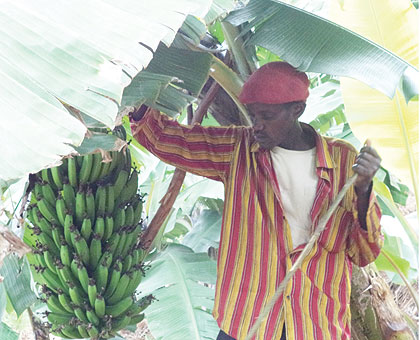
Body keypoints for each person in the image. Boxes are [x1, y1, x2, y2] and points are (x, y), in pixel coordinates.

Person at [130, 61, 383, 340]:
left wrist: (363, 190)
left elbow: (364, 253)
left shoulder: (343, 160)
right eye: (253, 115)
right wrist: (137, 90)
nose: (257, 125)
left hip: (316, 322)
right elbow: (168, 139)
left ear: (296, 109)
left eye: (267, 115)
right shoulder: (238, 149)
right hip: (249, 320)